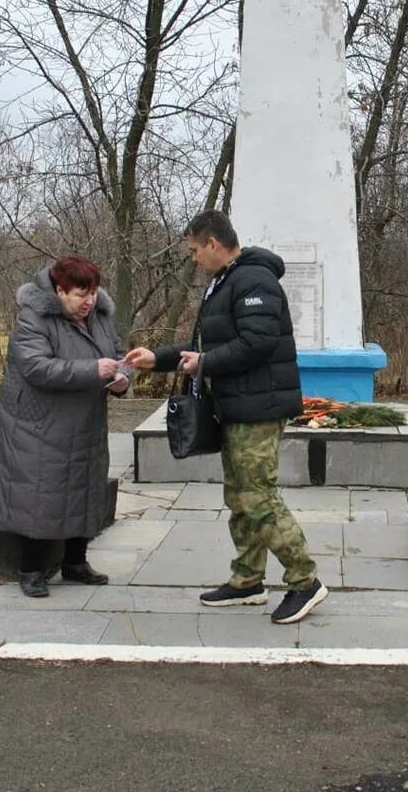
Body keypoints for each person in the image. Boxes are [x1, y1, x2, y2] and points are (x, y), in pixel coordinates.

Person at [124, 209, 328, 625]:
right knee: (239, 498)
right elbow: (204, 343)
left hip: (258, 408)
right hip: (237, 406)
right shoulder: (226, 281)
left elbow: (257, 342)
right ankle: (248, 581)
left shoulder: (255, 280)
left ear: (214, 244)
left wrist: (205, 362)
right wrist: (157, 359)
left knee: (257, 496)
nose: (194, 259)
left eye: (196, 250)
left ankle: (305, 580)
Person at [0, 255, 132, 598]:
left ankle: (76, 563)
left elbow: (120, 356)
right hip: (38, 424)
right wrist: (94, 371)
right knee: (41, 493)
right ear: (59, 290)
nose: (89, 300)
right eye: (81, 293)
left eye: (93, 292)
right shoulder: (32, 319)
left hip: (85, 420)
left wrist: (123, 378)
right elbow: (38, 367)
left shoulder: (100, 317)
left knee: (84, 490)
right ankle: (32, 569)